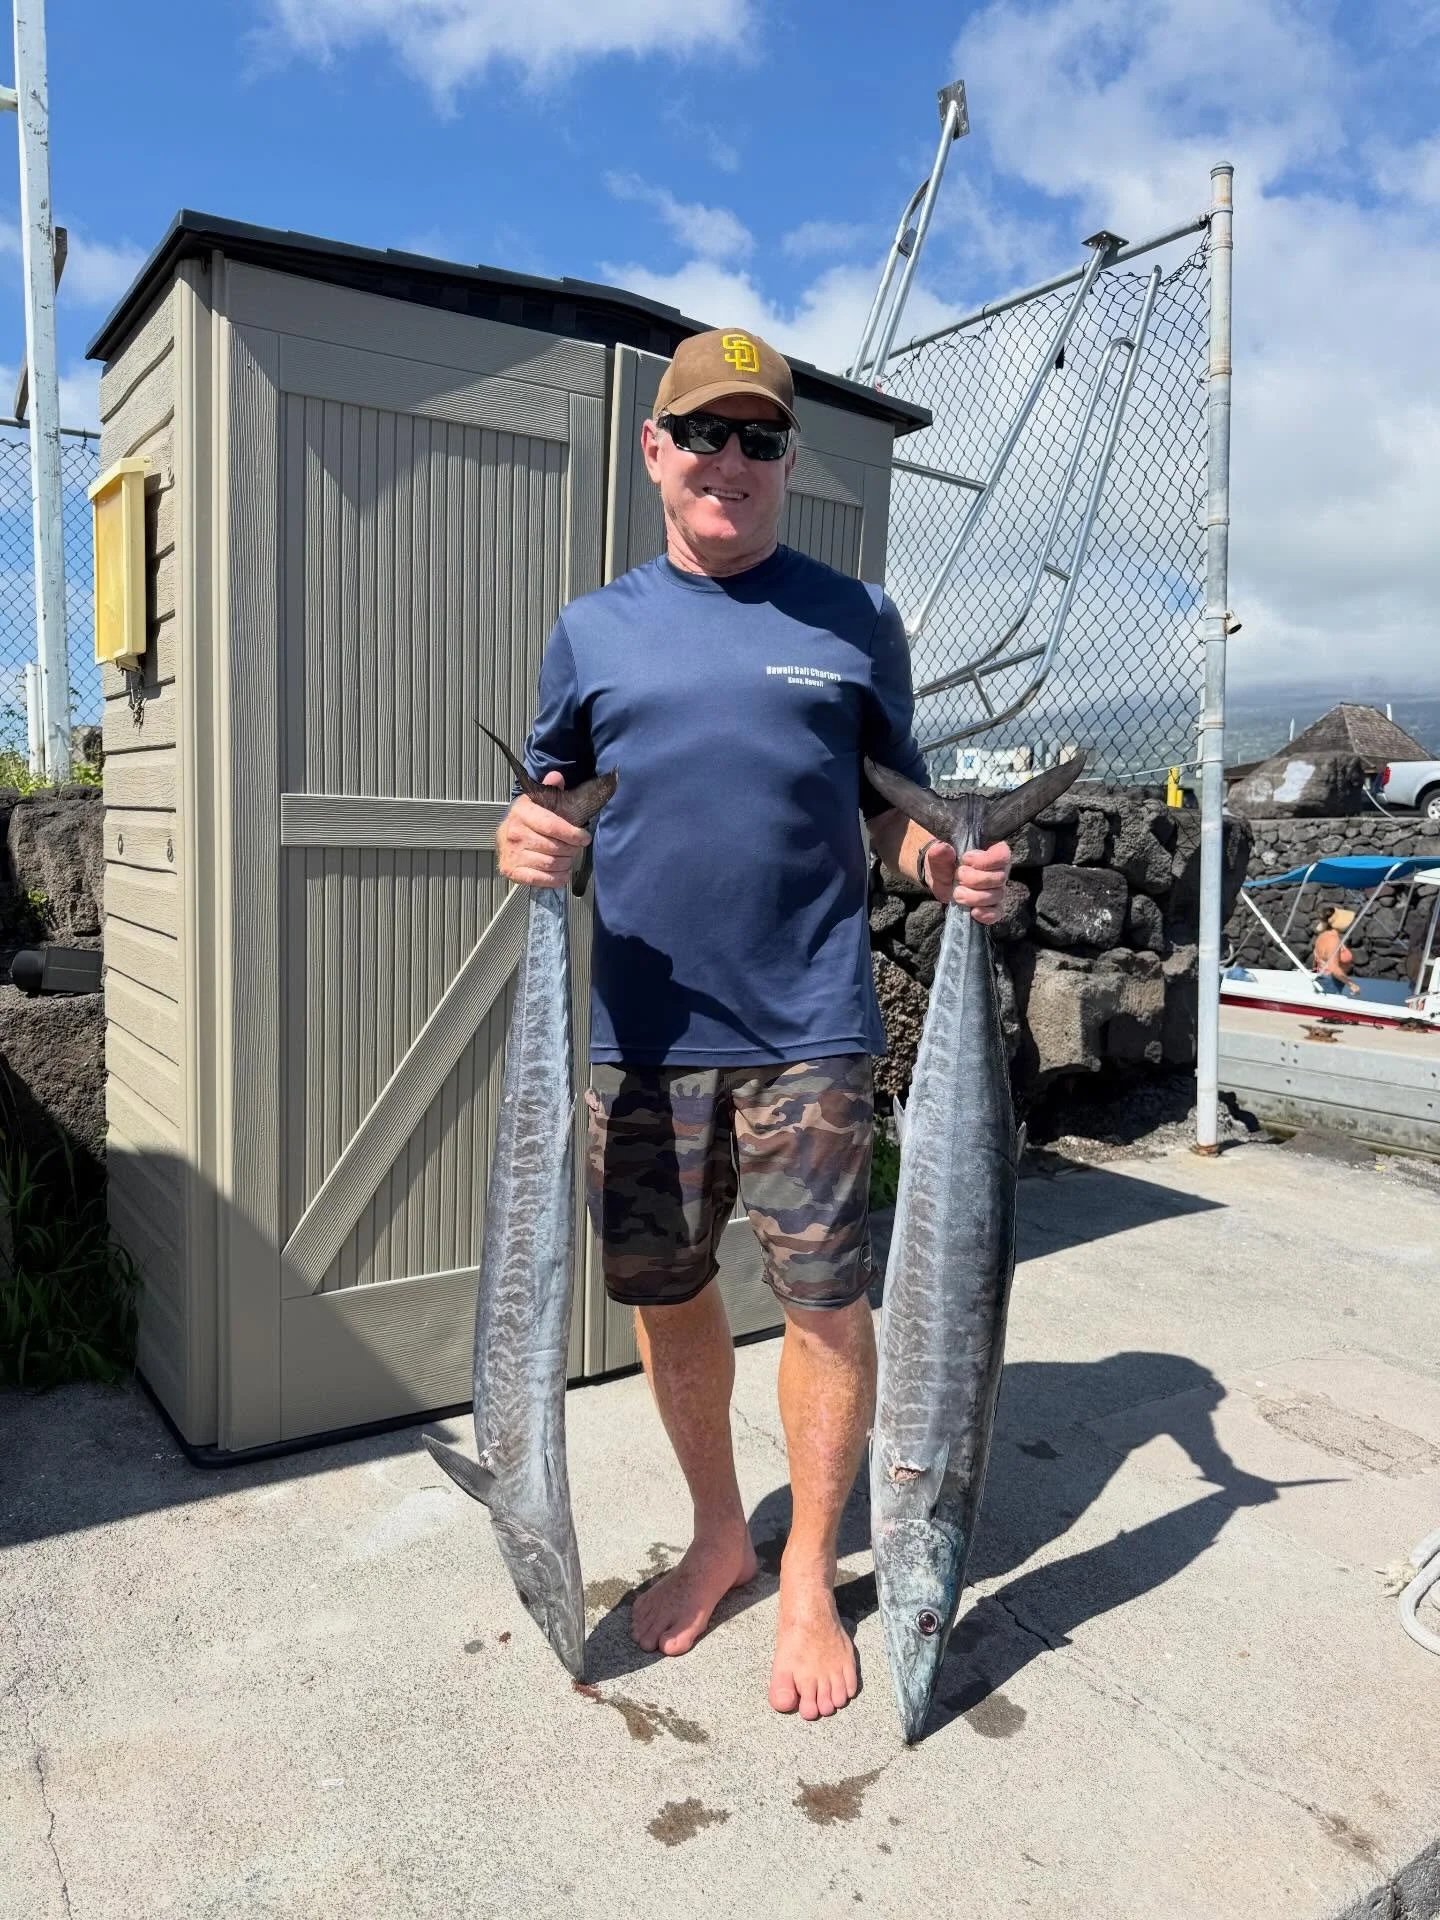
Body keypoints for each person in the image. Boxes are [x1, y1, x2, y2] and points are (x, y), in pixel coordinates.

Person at [495, 328, 1012, 1722]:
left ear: (786, 460)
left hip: (809, 1029)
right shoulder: (593, 630)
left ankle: (803, 1578)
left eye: (760, 439)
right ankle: (722, 1532)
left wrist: (949, 864)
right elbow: (551, 803)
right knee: (670, 1303)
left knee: (827, 1306)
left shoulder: (855, 621)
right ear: (654, 450)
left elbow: (894, 827)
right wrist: (525, 835)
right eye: (705, 434)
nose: (732, 460)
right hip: (639, 1040)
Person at [1313, 907, 1360, 995]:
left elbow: (1316, 963)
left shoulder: (1322, 936)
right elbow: (1333, 968)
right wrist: (1351, 984)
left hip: (1323, 980)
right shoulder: (1333, 940)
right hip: (1330, 982)